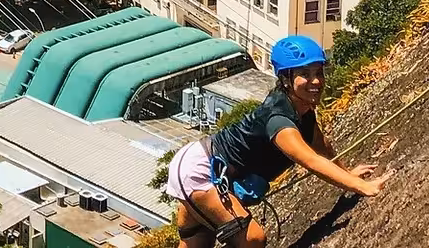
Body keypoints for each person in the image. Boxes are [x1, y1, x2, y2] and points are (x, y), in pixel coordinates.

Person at [164, 35, 390, 248]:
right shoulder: (279, 121)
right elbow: (310, 160)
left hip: (208, 164)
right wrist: (361, 187)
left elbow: (322, 147)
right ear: (285, 79)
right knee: (252, 240)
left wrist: (348, 174)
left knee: (199, 241)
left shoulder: (301, 109)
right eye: (305, 73)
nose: (316, 81)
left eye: (319, 72)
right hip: (200, 170)